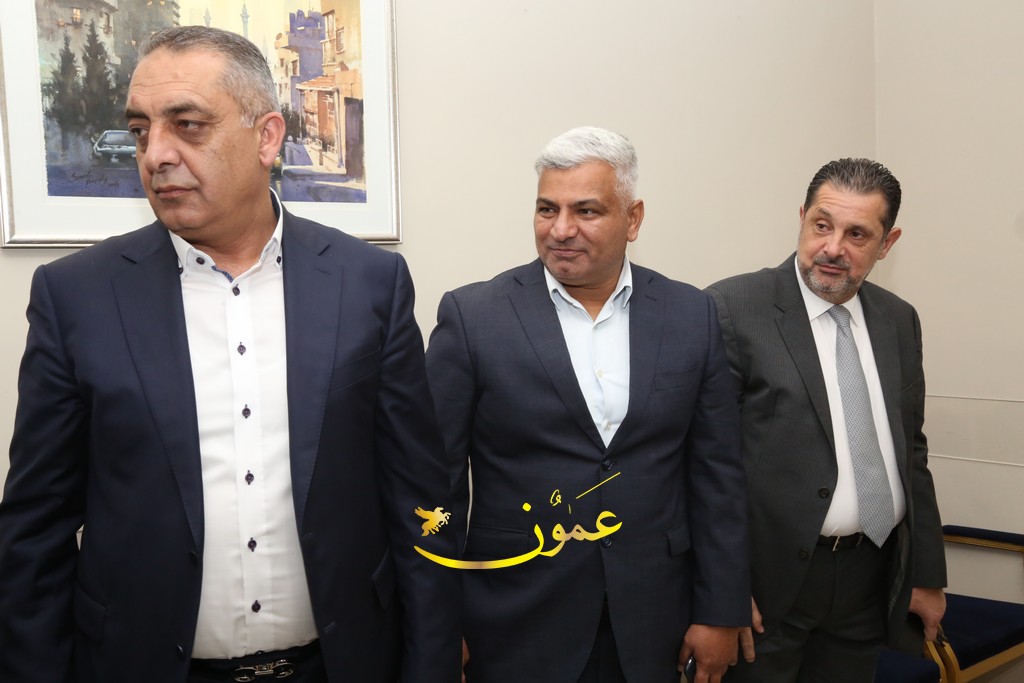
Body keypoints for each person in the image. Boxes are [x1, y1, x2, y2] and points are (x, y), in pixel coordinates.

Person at [0, 26, 460, 683]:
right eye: (140, 131)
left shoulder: (368, 285)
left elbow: (421, 505)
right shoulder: (76, 298)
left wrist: (431, 665)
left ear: (267, 137)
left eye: (187, 125)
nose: (156, 154)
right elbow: (35, 532)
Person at [425, 126, 750, 683]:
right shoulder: (474, 317)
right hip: (514, 618)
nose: (561, 230)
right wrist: (435, 620)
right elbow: (436, 484)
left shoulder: (690, 314)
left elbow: (717, 474)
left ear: (634, 218)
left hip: (656, 619)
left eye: (587, 211)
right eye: (547, 209)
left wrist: (720, 609)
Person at [705, 158, 947, 682]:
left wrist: (926, 573)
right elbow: (701, 465)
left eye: (857, 234)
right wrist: (720, 588)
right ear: (801, 218)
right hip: (766, 584)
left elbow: (913, 451)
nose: (833, 248)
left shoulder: (898, 319)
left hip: (870, 578)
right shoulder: (730, 307)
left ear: (887, 243)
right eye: (821, 225)